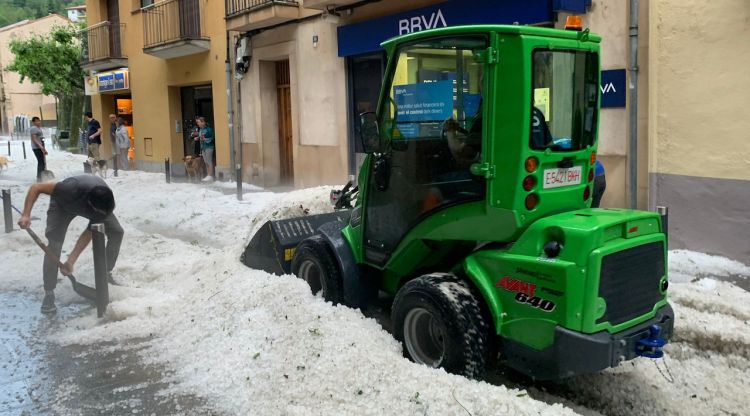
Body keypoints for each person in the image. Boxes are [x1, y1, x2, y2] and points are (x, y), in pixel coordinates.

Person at [17, 175, 124, 314]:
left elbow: (90, 231)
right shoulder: (69, 189)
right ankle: (49, 292)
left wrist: (71, 260)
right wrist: (26, 214)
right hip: (63, 206)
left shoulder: (105, 201)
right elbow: (36, 187)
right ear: (89, 205)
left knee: (117, 231)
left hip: (96, 205)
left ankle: (105, 273)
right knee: (54, 244)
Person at [29, 116, 48, 182]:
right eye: (36, 121)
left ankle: (41, 176)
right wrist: (41, 147)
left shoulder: (38, 128)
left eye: (39, 120)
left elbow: (40, 138)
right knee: (41, 162)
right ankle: (39, 177)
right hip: (36, 148)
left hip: (40, 147)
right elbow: (34, 139)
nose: (38, 122)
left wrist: (43, 148)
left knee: (42, 162)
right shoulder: (34, 128)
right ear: (33, 122)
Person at [196, 116, 215, 182]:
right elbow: (201, 136)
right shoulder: (200, 130)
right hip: (203, 147)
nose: (197, 124)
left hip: (209, 147)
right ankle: (208, 175)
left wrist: (205, 139)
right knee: (206, 161)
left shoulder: (208, 129)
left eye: (198, 122)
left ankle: (210, 175)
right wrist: (198, 138)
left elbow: (211, 137)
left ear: (203, 122)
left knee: (209, 161)